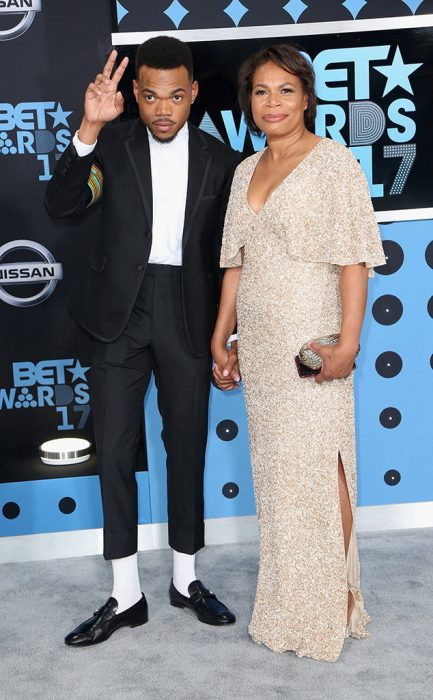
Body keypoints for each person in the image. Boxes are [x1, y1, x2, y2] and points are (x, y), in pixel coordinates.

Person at [45, 36, 240, 647]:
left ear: (194, 93)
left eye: (175, 97)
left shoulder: (222, 160)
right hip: (117, 315)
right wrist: (87, 128)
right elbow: (61, 206)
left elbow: (234, 257)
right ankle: (125, 593)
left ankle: (185, 579)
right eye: (151, 96)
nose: (162, 109)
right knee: (115, 449)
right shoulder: (111, 144)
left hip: (188, 312)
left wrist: (228, 331)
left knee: (186, 445)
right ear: (135, 94)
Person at [211, 44, 386, 662]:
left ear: (307, 98)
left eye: (286, 90)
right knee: (278, 475)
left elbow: (354, 260)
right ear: (248, 101)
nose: (273, 103)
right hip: (260, 345)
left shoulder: (334, 163)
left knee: (323, 465)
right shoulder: (244, 171)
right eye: (261, 91)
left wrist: (348, 343)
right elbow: (235, 262)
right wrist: (221, 334)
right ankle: (289, 603)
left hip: (312, 339)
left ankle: (336, 601)